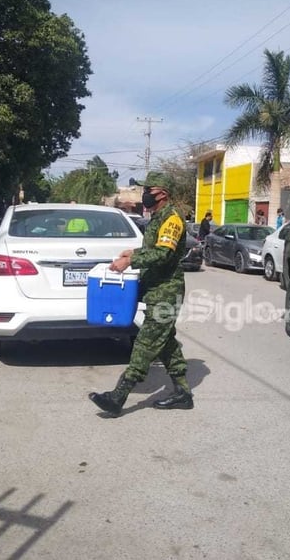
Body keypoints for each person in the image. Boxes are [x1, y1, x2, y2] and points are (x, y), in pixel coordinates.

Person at [89, 171, 193, 417]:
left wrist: (132, 260)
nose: (144, 194)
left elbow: (164, 254)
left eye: (149, 190)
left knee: (145, 343)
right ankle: (183, 393)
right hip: (156, 290)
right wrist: (132, 252)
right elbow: (154, 248)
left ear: (163, 194)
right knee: (165, 343)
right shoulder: (159, 217)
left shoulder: (172, 219)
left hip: (167, 292)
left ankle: (118, 397)